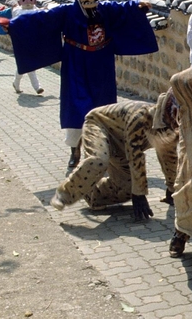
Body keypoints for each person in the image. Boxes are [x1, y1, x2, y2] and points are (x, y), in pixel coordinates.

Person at [8, 0, 158, 170]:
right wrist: (15, 26)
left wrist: (137, 5)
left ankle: (110, 150)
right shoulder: (66, 12)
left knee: (105, 107)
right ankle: (75, 150)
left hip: (102, 63)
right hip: (76, 63)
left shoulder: (104, 9)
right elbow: (41, 20)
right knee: (77, 108)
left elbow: (123, 8)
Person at [50, 90, 179, 222]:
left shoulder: (172, 127)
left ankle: (93, 195)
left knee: (128, 188)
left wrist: (172, 189)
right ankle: (64, 194)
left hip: (121, 145)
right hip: (99, 125)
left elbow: (169, 158)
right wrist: (139, 194)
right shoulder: (140, 117)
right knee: (98, 161)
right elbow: (135, 156)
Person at [10, 0, 44, 94]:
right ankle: (37, 87)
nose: (28, 2)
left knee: (24, 65)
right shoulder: (18, 11)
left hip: (34, 41)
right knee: (29, 64)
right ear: (20, 1)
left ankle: (16, 82)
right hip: (22, 41)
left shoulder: (37, 10)